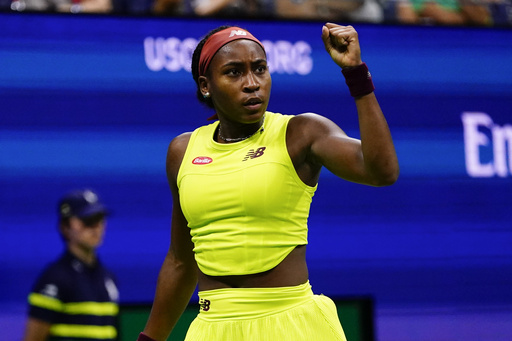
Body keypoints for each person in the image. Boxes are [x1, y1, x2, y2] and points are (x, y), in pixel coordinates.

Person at [138, 23, 399, 341]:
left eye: (259, 69)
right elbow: (181, 261)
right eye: (234, 72)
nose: (252, 84)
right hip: (212, 328)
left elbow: (382, 171)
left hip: (292, 325)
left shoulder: (301, 133)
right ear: (206, 85)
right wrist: (150, 338)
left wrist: (357, 75)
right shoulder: (182, 151)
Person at [23, 189, 119, 341]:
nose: (96, 227)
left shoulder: (109, 278)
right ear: (65, 227)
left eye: (100, 219)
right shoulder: (54, 279)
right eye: (88, 220)